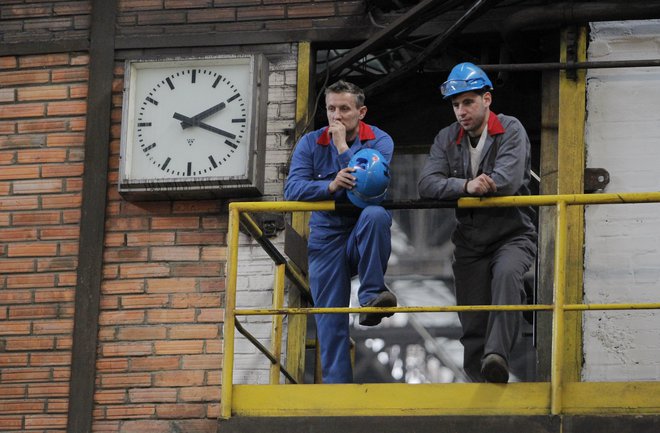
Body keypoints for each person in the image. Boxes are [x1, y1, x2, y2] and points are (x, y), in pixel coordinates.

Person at [417, 62, 537, 383]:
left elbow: (508, 181)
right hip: (469, 240)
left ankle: (496, 356)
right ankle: (478, 380)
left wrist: (475, 185)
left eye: (468, 102)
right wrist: (465, 186)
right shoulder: (447, 138)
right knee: (471, 317)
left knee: (507, 278)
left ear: (487, 99)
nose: (461, 111)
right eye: (456, 105)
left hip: (512, 234)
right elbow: (427, 184)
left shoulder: (510, 129)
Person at [284, 80, 397, 383]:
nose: (336, 116)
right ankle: (338, 391)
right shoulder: (310, 143)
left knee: (376, 215)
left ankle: (372, 296)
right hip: (326, 237)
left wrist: (344, 150)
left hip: (361, 228)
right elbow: (292, 190)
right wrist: (329, 186)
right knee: (330, 319)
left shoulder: (380, 141)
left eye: (344, 109)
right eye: (331, 109)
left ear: (361, 112)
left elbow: (371, 188)